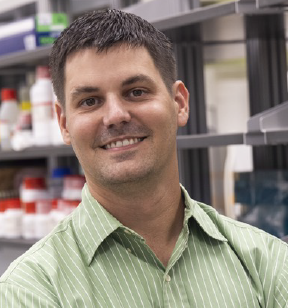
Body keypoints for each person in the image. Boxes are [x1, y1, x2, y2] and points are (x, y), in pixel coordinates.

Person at [0, 9, 288, 308]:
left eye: (136, 92)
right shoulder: (30, 292)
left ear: (179, 103)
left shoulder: (265, 263)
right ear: (63, 123)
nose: (115, 116)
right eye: (89, 101)